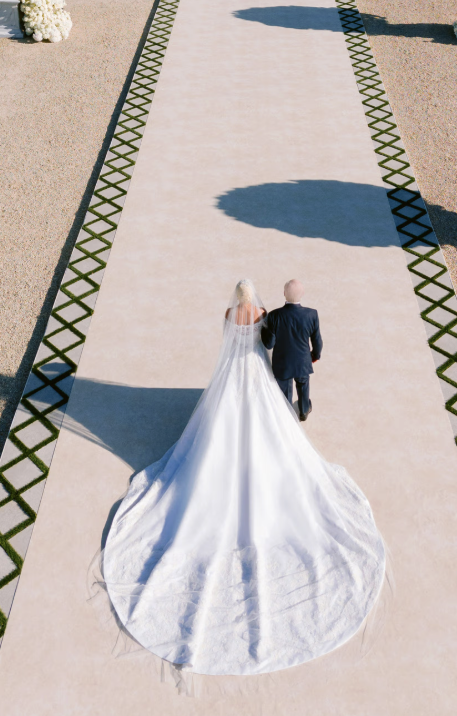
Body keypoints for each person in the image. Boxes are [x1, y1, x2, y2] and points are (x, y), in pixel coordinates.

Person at [99, 279, 386, 677]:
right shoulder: (263, 315)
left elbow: (227, 342)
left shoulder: (229, 314)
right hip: (255, 369)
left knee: (224, 421)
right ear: (256, 299)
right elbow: (265, 343)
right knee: (270, 417)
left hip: (232, 373)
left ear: (236, 298)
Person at [262, 279, 321, 420]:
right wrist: (315, 355)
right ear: (303, 294)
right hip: (303, 360)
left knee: (284, 392)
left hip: (282, 363)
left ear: (284, 293)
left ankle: (285, 416)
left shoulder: (274, 315)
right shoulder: (312, 314)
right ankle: (303, 410)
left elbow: (269, 344)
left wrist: (263, 329)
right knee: (303, 386)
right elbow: (317, 340)